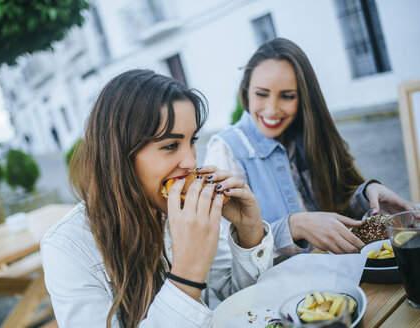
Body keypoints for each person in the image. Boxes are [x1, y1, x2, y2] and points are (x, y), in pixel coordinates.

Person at [41, 69, 273, 327]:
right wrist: (186, 276)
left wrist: (248, 232)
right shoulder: (66, 248)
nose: (191, 161)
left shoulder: (185, 211)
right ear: (120, 156)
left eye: (192, 140)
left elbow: (242, 305)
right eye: (171, 145)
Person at [204, 38, 416, 258]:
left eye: (287, 96)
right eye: (261, 93)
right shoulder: (226, 150)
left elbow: (337, 209)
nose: (271, 109)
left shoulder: (307, 134)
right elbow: (226, 258)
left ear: (303, 97)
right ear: (246, 91)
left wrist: (366, 195)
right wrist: (293, 227)